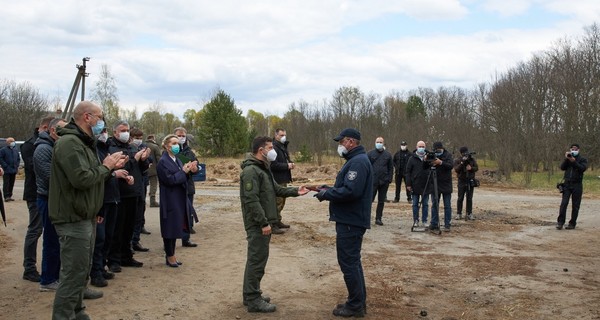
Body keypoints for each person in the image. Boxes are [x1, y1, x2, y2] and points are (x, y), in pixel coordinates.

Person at [49, 101, 126, 319]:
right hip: (72, 217)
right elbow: (82, 179)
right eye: (100, 117)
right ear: (87, 117)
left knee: (81, 273)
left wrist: (108, 168)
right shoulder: (69, 144)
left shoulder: (83, 142)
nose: (102, 122)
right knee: (73, 275)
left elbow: (92, 174)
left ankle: (78, 312)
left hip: (85, 216)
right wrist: (107, 166)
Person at [240, 136, 308, 313]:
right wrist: (263, 223)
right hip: (257, 223)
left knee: (257, 259)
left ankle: (251, 294)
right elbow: (251, 200)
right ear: (261, 150)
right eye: (270, 147)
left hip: (263, 221)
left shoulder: (263, 168)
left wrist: (296, 191)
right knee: (257, 260)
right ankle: (253, 299)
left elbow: (276, 189)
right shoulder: (251, 171)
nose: (273, 151)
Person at [313, 128, 372, 318]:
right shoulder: (356, 161)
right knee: (353, 262)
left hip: (351, 221)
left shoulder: (358, 163)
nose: (339, 146)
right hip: (351, 219)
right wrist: (326, 188)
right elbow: (346, 188)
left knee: (348, 263)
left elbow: (350, 191)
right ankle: (358, 302)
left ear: (350, 142)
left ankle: (355, 306)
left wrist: (325, 195)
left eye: (341, 142)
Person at [107, 121, 150, 272]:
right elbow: (120, 167)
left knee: (129, 228)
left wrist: (143, 160)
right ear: (115, 133)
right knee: (117, 230)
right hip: (119, 194)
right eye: (122, 130)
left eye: (127, 130)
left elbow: (142, 169)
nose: (125, 133)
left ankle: (127, 256)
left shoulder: (132, 147)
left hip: (134, 193)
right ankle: (114, 260)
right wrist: (135, 159)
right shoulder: (111, 148)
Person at [34, 118, 68, 292]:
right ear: (53, 131)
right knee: (51, 240)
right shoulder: (43, 149)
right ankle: (47, 280)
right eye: (63, 130)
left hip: (56, 199)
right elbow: (49, 177)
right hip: (47, 199)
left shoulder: (54, 146)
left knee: (58, 240)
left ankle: (56, 275)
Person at [157, 134, 200, 267]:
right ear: (166, 146)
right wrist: (184, 172)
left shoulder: (177, 159)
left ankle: (172, 255)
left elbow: (183, 176)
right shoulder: (163, 162)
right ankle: (170, 256)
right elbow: (170, 180)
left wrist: (190, 171)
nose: (177, 145)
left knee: (176, 226)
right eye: (173, 143)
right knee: (169, 227)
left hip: (179, 197)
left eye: (177, 143)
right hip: (170, 198)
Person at [21, 116, 53, 282]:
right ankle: (29, 267)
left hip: (46, 193)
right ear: (46, 127)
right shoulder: (30, 145)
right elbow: (35, 168)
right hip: (35, 193)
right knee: (35, 230)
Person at [174, 127, 199, 247]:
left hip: (188, 186)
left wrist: (195, 169)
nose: (181, 138)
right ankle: (171, 240)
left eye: (183, 135)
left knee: (188, 212)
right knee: (174, 213)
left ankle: (186, 238)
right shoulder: (170, 151)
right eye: (179, 135)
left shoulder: (190, 152)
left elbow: (197, 166)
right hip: (174, 186)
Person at [556, 143, 588, 230]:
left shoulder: (582, 159)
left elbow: (582, 168)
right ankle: (560, 222)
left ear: (578, 150)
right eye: (572, 149)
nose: (573, 150)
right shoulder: (568, 159)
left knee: (575, 205)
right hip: (567, 184)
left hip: (577, 184)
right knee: (564, 203)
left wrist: (574, 161)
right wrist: (567, 159)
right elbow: (562, 167)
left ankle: (572, 223)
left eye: (575, 149)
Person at [269, 128, 294, 234]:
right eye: (281, 135)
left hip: (283, 178)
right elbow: (273, 165)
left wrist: (290, 163)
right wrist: (286, 166)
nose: (283, 137)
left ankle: (278, 221)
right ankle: (273, 224)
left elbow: (284, 160)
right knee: (277, 202)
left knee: (282, 202)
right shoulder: (274, 148)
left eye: (284, 135)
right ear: (276, 136)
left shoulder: (282, 147)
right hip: (277, 179)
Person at [130, 128, 150, 252]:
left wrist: (144, 159)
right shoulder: (126, 149)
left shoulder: (143, 147)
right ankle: (129, 244)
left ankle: (135, 241)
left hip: (141, 186)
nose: (138, 140)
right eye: (136, 137)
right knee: (130, 218)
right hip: (130, 188)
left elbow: (146, 166)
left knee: (139, 215)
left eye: (140, 137)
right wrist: (136, 158)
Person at [405, 141, 434, 227]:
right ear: (416, 147)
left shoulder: (429, 158)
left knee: (425, 204)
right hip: (415, 184)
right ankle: (416, 220)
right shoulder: (411, 158)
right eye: (420, 146)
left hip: (426, 184)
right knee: (415, 204)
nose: (421, 148)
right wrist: (408, 184)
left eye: (423, 146)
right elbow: (408, 172)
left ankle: (424, 220)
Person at [367, 136, 393, 226]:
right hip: (372, 181)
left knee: (381, 201)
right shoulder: (370, 154)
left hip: (384, 182)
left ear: (383, 143)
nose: (379, 143)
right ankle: (366, 218)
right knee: (369, 200)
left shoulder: (388, 155)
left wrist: (389, 179)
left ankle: (378, 218)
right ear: (375, 143)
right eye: (377, 142)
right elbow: (366, 167)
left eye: (381, 142)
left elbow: (391, 168)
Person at [428, 142, 454, 231]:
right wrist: (427, 161)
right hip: (435, 183)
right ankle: (434, 223)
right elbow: (425, 167)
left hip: (446, 183)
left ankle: (447, 224)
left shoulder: (448, 155)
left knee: (447, 205)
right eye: (436, 150)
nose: (437, 152)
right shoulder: (432, 155)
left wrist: (441, 162)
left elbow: (450, 166)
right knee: (435, 204)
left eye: (439, 150)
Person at [454, 146, 479, 221]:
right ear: (461, 153)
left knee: (469, 198)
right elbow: (456, 169)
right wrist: (462, 163)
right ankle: (459, 213)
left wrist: (471, 168)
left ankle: (469, 213)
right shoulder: (458, 160)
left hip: (470, 180)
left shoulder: (472, 159)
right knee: (460, 197)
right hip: (461, 180)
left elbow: (476, 168)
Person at [0, 137, 20, 202]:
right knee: (6, 183)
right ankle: (6, 196)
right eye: (11, 141)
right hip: (6, 169)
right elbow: (1, 158)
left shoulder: (15, 150)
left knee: (12, 183)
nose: (13, 142)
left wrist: (16, 165)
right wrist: (5, 166)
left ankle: (10, 195)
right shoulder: (3, 150)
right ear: (8, 142)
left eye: (13, 141)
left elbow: (18, 158)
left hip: (13, 169)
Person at [145, 134, 162, 208]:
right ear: (153, 139)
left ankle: (142, 200)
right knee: (153, 185)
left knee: (144, 185)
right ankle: (152, 201)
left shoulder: (143, 145)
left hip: (144, 169)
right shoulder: (155, 147)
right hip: (153, 170)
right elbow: (159, 158)